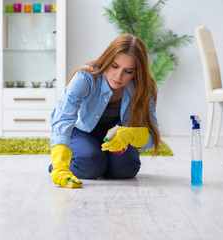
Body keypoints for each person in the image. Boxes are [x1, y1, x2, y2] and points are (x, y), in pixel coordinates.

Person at [49, 34, 160, 188]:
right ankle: (75, 162)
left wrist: (131, 134)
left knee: (127, 169)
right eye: (114, 66)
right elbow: (62, 118)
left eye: (128, 71)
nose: (118, 75)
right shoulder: (85, 77)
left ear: (136, 73)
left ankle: (97, 162)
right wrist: (60, 164)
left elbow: (153, 138)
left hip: (117, 136)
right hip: (83, 131)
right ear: (107, 60)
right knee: (89, 163)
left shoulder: (142, 88)